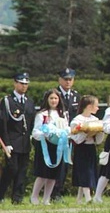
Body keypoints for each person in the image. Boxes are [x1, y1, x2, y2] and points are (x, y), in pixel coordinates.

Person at [29, 89, 71, 205]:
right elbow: (35, 132)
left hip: (58, 146)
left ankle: (46, 198)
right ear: (47, 99)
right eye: (51, 98)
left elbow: (66, 128)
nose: (54, 101)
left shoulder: (63, 113)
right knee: (43, 173)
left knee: (54, 174)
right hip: (45, 147)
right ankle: (34, 196)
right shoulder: (41, 114)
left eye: (56, 98)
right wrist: (45, 134)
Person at [0, 72, 36, 205]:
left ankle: (17, 198)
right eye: (21, 83)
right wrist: (6, 143)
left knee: (22, 171)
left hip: (24, 143)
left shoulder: (29, 102)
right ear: (15, 83)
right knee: (11, 169)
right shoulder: (7, 101)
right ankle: (1, 194)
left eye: (26, 84)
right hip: (12, 142)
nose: (24, 86)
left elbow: (31, 122)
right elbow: (3, 123)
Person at [51, 68, 81, 201]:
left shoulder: (75, 95)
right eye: (66, 79)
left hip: (70, 135)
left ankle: (58, 191)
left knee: (65, 165)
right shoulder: (54, 94)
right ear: (60, 80)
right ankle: (52, 192)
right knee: (56, 164)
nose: (68, 82)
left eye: (70, 79)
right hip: (57, 136)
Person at [69, 95, 104, 204]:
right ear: (89, 106)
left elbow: (98, 141)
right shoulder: (77, 120)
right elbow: (76, 139)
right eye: (96, 106)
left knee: (90, 171)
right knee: (84, 172)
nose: (98, 108)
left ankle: (79, 199)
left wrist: (99, 132)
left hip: (91, 148)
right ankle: (88, 198)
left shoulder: (95, 120)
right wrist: (86, 132)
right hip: (81, 149)